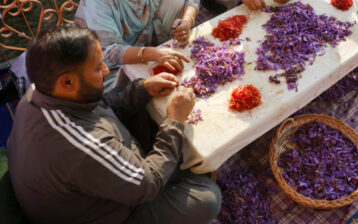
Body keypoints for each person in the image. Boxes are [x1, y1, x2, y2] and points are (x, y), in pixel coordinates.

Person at [7, 25, 221, 224]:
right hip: (111, 214)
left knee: (138, 105)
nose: (107, 71)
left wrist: (142, 88)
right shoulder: (81, 145)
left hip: (78, 187)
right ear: (68, 82)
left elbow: (100, 106)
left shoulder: (38, 92)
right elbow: (149, 184)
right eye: (98, 67)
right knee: (207, 198)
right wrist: (174, 120)